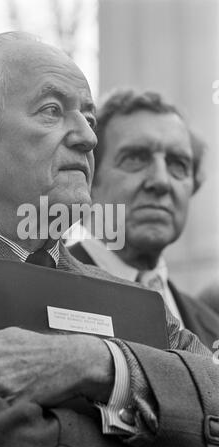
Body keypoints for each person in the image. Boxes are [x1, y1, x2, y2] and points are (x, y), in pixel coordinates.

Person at [0, 32, 218, 447]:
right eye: (51, 110)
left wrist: (99, 364)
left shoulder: (134, 298)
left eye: (89, 118)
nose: (88, 137)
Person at [69, 89, 219, 350]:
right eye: (135, 158)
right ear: (90, 178)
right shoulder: (41, 284)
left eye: (178, 164)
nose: (161, 181)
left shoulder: (211, 326)